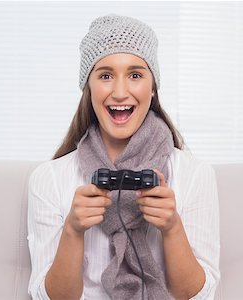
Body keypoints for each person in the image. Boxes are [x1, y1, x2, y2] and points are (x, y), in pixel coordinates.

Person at [27, 14, 220, 300]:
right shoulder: (49, 179)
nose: (119, 92)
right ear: (88, 89)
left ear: (153, 89)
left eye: (135, 75)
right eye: (105, 75)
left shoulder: (194, 175)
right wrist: (73, 230)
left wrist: (172, 227)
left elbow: (199, 296)